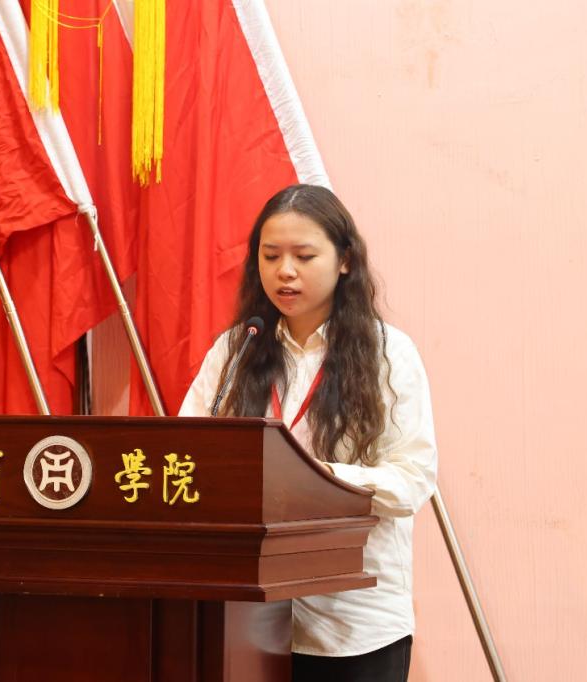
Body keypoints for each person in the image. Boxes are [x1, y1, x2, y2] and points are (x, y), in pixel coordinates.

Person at [179, 184, 438, 682]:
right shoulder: (237, 349)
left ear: (344, 261)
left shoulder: (388, 354)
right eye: (270, 256)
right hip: (244, 619)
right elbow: (187, 456)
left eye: (304, 256)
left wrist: (312, 479)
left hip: (350, 623)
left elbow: (412, 480)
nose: (285, 271)